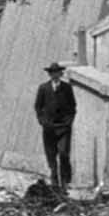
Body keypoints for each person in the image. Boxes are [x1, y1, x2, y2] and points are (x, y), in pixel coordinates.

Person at [34, 61, 77, 192]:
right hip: (49, 127)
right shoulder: (44, 88)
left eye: (57, 73)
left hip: (63, 127)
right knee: (51, 155)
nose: (55, 75)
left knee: (64, 153)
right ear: (49, 74)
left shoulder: (66, 88)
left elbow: (72, 106)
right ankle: (54, 182)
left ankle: (65, 181)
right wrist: (43, 121)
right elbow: (38, 106)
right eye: (52, 73)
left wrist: (68, 121)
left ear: (61, 73)